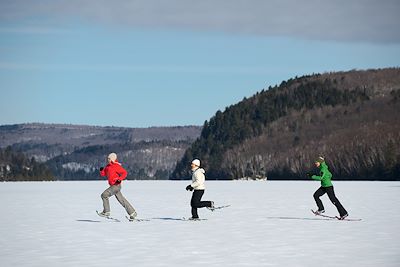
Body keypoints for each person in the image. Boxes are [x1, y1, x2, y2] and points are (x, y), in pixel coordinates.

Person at [98, 152, 137, 220]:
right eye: (108, 158)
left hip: (116, 185)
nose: (108, 160)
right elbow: (104, 174)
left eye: (109, 158)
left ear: (113, 159)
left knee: (104, 195)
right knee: (121, 200)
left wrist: (119, 179)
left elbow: (124, 173)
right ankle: (132, 212)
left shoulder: (116, 166)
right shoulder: (108, 166)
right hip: (113, 186)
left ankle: (106, 211)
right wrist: (101, 171)